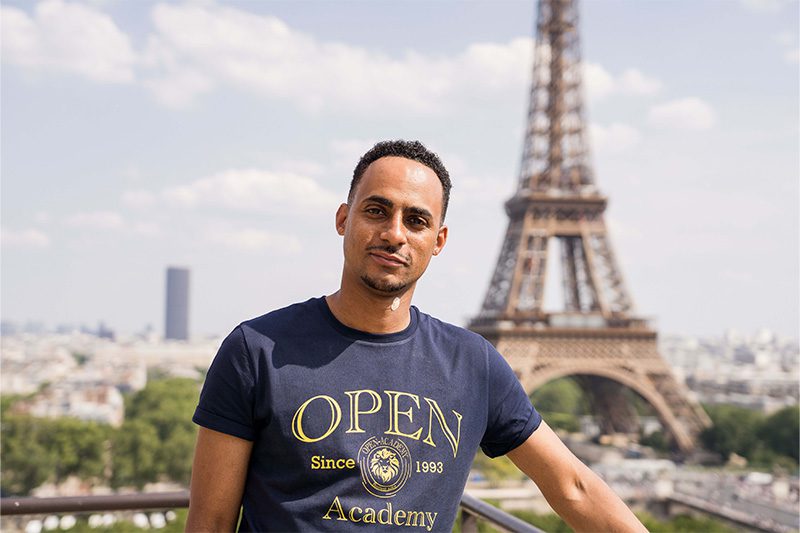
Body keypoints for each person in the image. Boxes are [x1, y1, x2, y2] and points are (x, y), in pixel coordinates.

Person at [186, 140, 647, 532]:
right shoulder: (255, 350)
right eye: (376, 211)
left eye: (416, 220)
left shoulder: (474, 363)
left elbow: (574, 486)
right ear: (343, 219)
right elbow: (210, 525)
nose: (394, 233)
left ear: (438, 241)